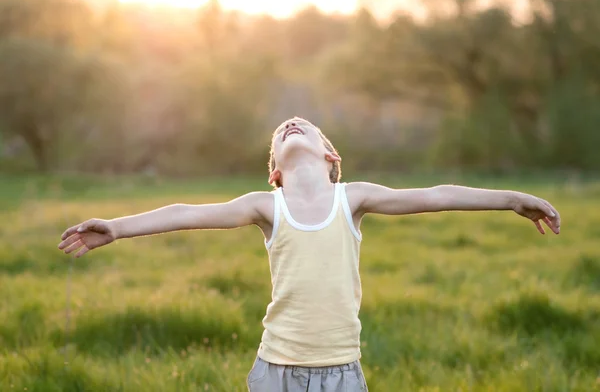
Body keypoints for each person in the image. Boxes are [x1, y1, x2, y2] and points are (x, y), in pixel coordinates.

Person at [58, 116, 561, 392]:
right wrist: (118, 229)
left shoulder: (354, 197)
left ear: (330, 157)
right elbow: (185, 211)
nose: (291, 124)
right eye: (280, 131)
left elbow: (436, 194)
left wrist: (512, 198)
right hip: (275, 370)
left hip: (343, 372)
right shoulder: (265, 205)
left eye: (304, 125)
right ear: (273, 169)